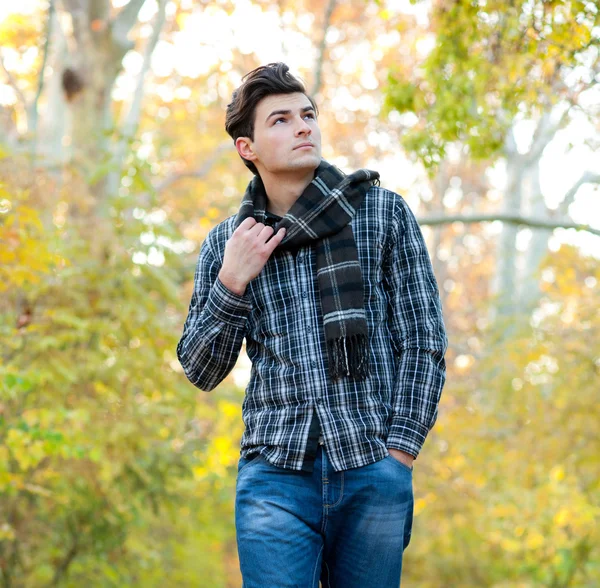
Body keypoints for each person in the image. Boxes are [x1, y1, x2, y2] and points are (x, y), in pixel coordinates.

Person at [177, 62, 448, 587]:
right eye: (280, 120)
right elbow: (201, 368)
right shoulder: (228, 244)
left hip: (371, 460)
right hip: (275, 469)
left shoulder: (382, 215)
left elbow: (423, 341)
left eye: (308, 115)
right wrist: (232, 281)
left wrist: (399, 454)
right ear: (247, 149)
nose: (303, 127)